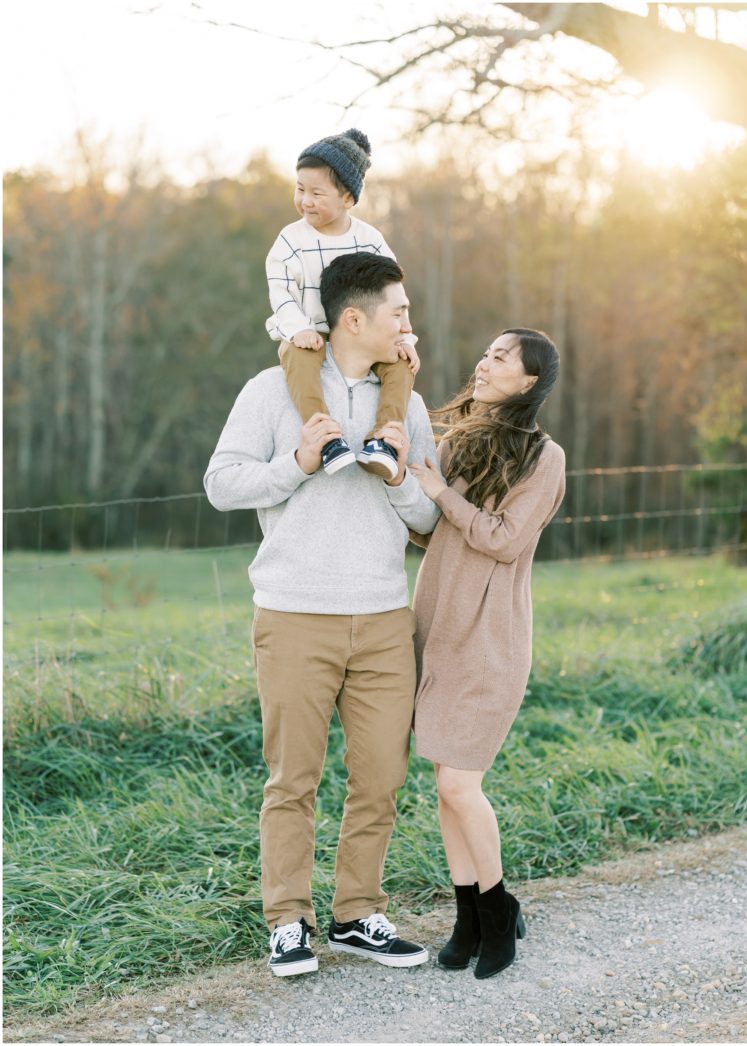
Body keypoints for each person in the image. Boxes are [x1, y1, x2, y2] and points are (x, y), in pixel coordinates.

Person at [204, 252, 440, 977]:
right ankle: (288, 921)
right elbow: (220, 484)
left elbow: (430, 516)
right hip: (294, 616)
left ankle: (356, 914)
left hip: (382, 619)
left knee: (380, 778)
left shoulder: (409, 404)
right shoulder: (273, 392)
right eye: (398, 312)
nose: (408, 326)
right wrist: (297, 466)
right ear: (354, 318)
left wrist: (398, 477)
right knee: (293, 779)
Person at [408, 327, 565, 980]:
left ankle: (497, 910)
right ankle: (468, 915)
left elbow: (502, 539)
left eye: (502, 357)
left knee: (458, 781)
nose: (485, 360)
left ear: (528, 381)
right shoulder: (457, 441)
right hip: (436, 627)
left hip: (490, 638)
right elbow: (432, 538)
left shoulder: (544, 456)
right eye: (488, 351)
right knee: (445, 787)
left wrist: (439, 492)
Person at [266, 128, 419, 480]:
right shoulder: (291, 240)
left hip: (364, 335)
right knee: (298, 361)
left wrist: (404, 336)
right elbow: (281, 293)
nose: (305, 200)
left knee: (400, 366)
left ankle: (384, 439)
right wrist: (299, 329)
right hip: (311, 331)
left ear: (348, 198)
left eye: (317, 193)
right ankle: (325, 437)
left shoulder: (369, 239)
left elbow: (392, 291)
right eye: (300, 189)